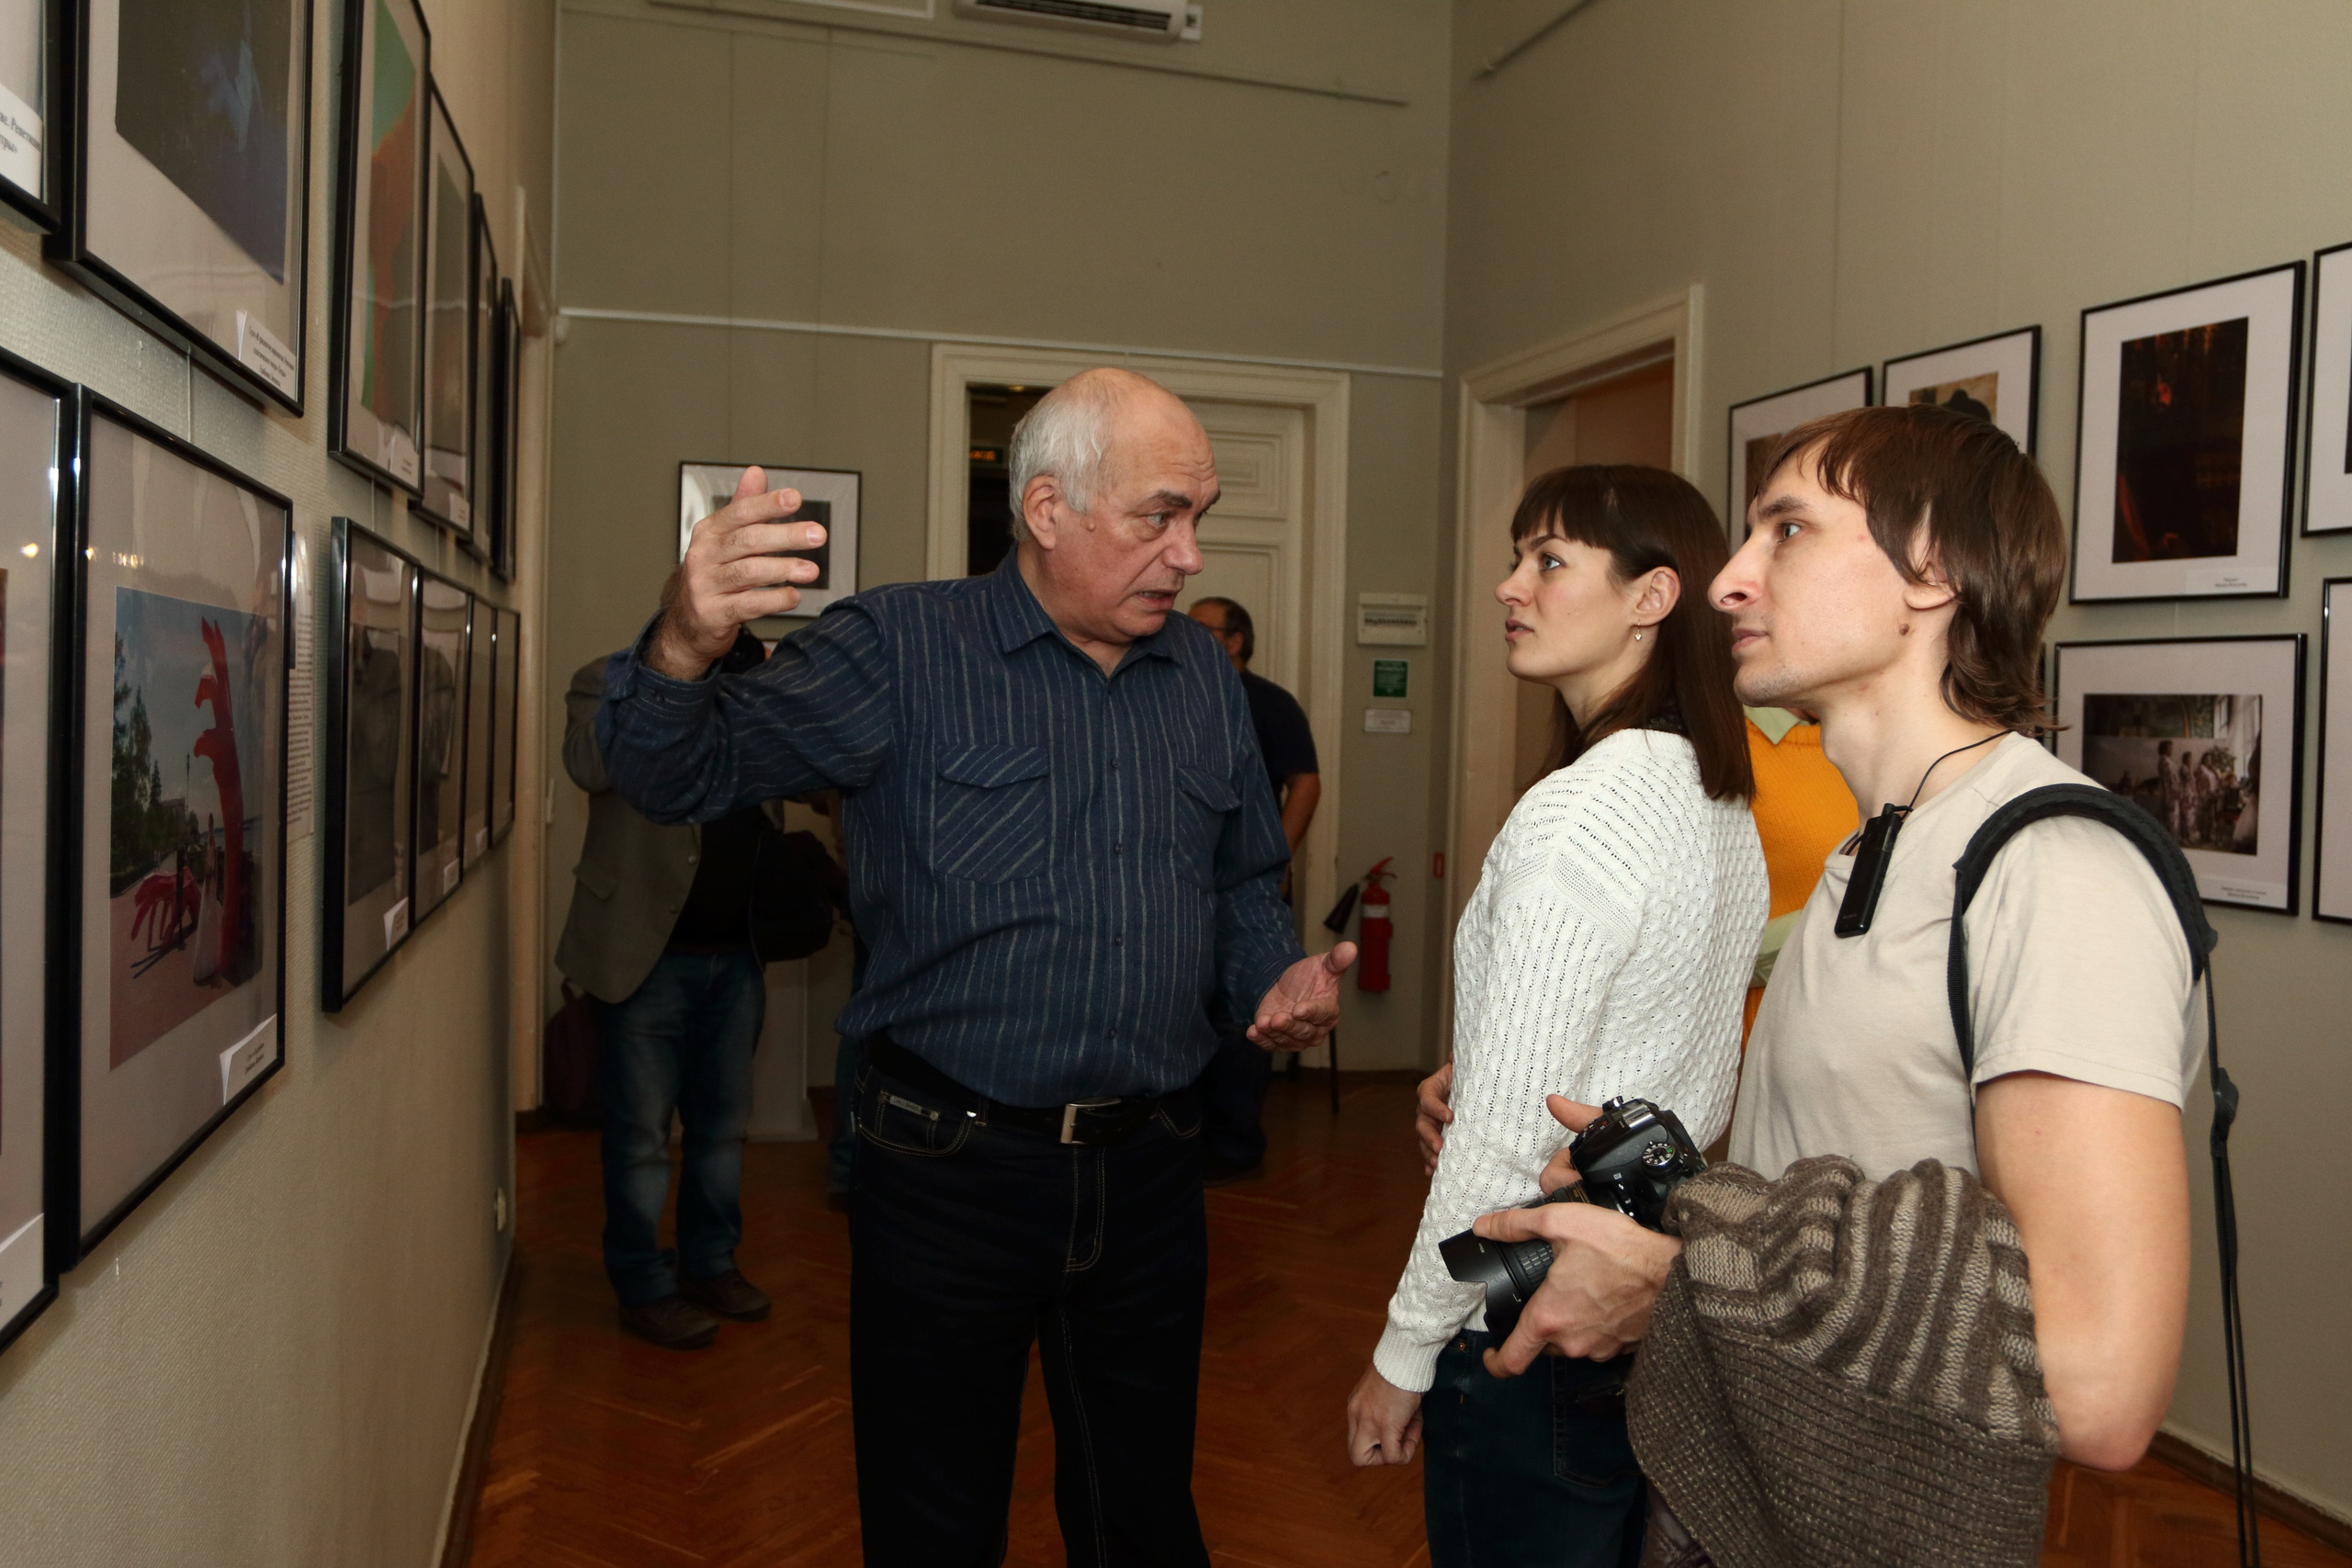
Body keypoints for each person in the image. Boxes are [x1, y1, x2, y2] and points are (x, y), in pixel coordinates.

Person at [594, 367, 1354, 1567]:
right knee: (934, 1519)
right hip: (950, 1173)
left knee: (1143, 1514)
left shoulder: (1204, 678)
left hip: (1153, 1175)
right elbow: (663, 772)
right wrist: (688, 636)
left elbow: (1240, 876)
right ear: (1046, 508)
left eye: (1198, 514)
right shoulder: (901, 649)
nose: (1190, 552)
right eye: (1161, 514)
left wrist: (1268, 974)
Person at [1456, 405, 2198, 1530]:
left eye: (1788, 532)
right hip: (1772, 1494)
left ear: (1932, 570)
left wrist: (1677, 1278)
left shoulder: (2054, 870)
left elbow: (2095, 1379)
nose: (1727, 583)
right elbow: (1835, 1161)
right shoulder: (1869, 849)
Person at [1348, 466, 1766, 1567]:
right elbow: (1674, 1056)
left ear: (1651, 597)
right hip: (1637, 1279)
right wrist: (1488, 1064)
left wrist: (1400, 1355)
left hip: (1525, 1306)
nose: (1506, 587)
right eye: (1517, 556)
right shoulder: (1714, 796)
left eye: (1548, 561)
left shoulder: (1583, 810)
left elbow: (1496, 1137)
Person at [555, 629, 781, 1350]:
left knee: (720, 1129)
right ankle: (642, 1282)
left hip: (734, 956)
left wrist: (775, 687)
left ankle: (709, 1262)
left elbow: (803, 782)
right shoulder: (605, 675)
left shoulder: (747, 692)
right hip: (645, 955)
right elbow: (588, 762)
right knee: (643, 1137)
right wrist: (668, 681)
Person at [1185, 595, 1319, 1184]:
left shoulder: (1269, 702)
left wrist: (1275, 858)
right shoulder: (1181, 694)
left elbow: (1305, 784)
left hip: (1245, 883)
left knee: (1242, 1021)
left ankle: (1235, 1146)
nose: (1183, 635)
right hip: (1186, 885)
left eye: (1201, 628)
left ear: (1234, 640)